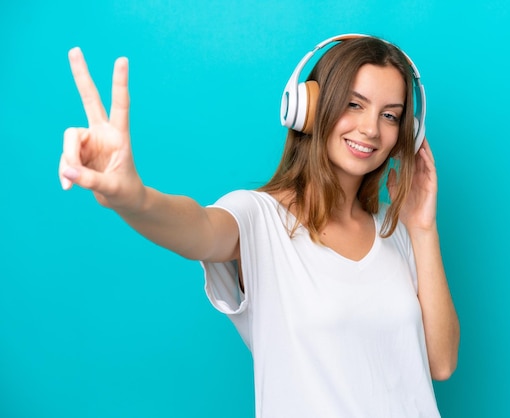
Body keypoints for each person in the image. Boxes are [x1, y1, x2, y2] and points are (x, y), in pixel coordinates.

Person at [59, 34, 460, 418]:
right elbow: (197, 228)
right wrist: (134, 199)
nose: (371, 128)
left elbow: (440, 362)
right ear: (309, 107)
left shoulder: (397, 235)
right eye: (354, 105)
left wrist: (423, 229)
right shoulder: (259, 218)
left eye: (390, 115)